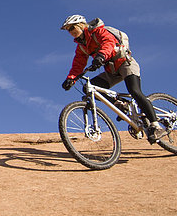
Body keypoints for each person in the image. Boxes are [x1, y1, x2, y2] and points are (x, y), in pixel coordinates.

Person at [60, 14, 165, 143]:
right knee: (89, 87)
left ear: (81, 25)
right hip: (112, 71)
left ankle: (156, 126)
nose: (70, 32)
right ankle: (121, 104)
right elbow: (78, 64)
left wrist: (101, 56)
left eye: (71, 28)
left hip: (125, 63)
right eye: (68, 30)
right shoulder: (81, 46)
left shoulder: (97, 31)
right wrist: (71, 79)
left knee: (135, 91)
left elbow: (108, 43)